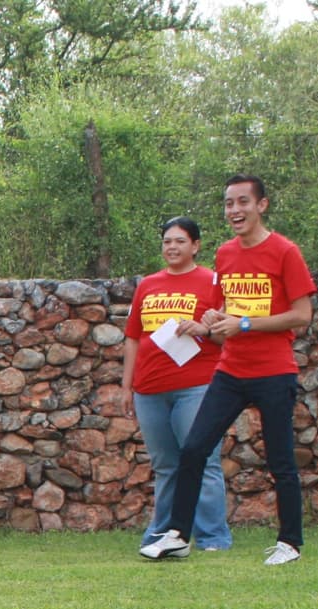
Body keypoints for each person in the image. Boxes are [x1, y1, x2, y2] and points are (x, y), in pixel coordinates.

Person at [142, 175, 315, 566]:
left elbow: (302, 315)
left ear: (262, 206)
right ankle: (179, 536)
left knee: (281, 460)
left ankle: (290, 543)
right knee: (194, 449)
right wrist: (209, 324)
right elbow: (226, 314)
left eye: (242, 202)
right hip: (230, 370)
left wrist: (246, 324)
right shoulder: (225, 254)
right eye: (228, 204)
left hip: (274, 371)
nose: (234, 211)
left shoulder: (285, 251)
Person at [122, 217, 231, 553]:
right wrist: (127, 386)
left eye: (180, 241)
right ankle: (163, 535)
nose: (172, 247)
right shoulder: (148, 285)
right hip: (150, 389)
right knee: (166, 465)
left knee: (204, 461)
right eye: (167, 241)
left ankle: (213, 538)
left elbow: (226, 331)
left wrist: (203, 327)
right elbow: (133, 338)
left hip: (196, 385)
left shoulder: (214, 282)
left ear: (196, 245)